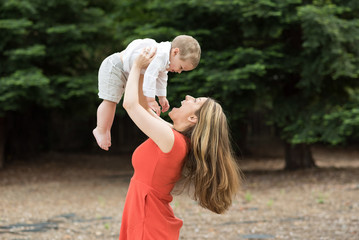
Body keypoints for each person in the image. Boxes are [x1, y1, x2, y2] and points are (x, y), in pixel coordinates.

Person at [119, 47, 242, 240]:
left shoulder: (173, 141)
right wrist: (147, 70)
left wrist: (136, 66)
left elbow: (131, 105)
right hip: (145, 215)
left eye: (195, 101)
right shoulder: (174, 137)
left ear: (193, 117)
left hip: (147, 220)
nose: (187, 97)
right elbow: (143, 105)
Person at [93, 35, 201, 151]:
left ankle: (105, 129)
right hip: (115, 66)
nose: (179, 72)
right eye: (181, 67)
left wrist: (162, 97)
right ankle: (101, 129)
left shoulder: (166, 59)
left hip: (126, 71)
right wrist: (151, 99)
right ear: (175, 52)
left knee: (113, 101)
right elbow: (150, 76)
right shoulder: (160, 55)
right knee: (110, 101)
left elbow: (162, 77)